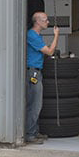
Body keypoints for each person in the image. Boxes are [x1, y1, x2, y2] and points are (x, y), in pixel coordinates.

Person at [25, 11, 59, 144]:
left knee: (35, 103)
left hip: (36, 71)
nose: (48, 22)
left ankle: (34, 131)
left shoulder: (36, 36)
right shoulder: (32, 35)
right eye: (45, 20)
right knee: (35, 104)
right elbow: (49, 51)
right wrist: (56, 36)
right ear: (37, 22)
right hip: (32, 73)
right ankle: (30, 135)